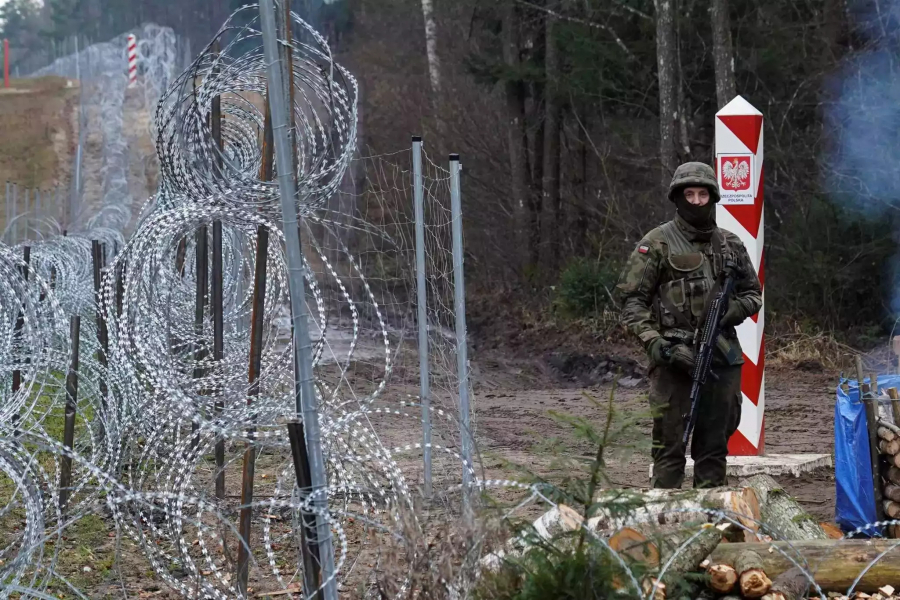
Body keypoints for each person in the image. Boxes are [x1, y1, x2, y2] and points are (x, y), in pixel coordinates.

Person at [615, 162, 762, 489]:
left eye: (702, 194)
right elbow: (631, 302)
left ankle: (712, 516)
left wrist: (731, 311)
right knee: (669, 449)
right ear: (678, 197)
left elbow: (753, 294)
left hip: (721, 357)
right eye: (689, 194)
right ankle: (665, 516)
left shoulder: (731, 244)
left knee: (713, 449)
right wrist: (658, 345)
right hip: (674, 360)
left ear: (713, 197)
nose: (696, 201)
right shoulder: (657, 243)